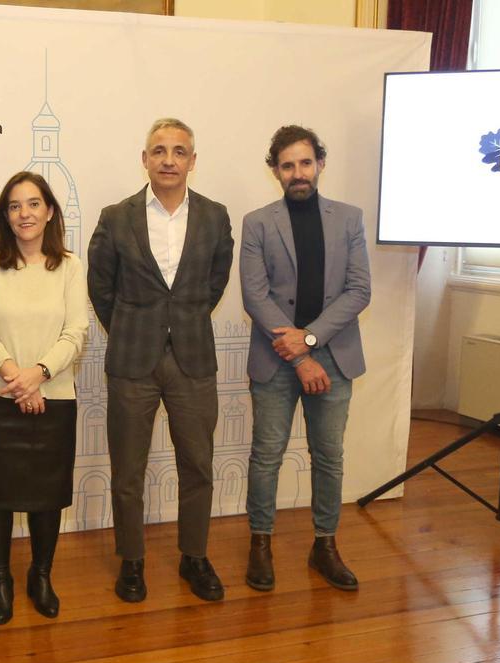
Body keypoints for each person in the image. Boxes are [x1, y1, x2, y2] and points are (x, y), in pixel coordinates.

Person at [87, 118, 234, 603]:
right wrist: (132, 326)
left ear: (193, 160)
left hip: (193, 358)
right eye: (159, 151)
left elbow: (214, 283)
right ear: (145, 159)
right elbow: (100, 286)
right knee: (128, 470)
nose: (169, 160)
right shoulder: (116, 216)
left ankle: (194, 556)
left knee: (199, 465)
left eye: (179, 151)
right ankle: (131, 561)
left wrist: (181, 320)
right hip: (132, 360)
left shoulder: (215, 216)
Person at [239, 125, 371, 593]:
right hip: (276, 361)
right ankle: (260, 544)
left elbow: (360, 290)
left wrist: (310, 341)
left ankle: (325, 545)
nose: (298, 172)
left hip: (334, 357)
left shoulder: (350, 218)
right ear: (275, 170)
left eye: (306, 162)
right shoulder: (257, 222)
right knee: (267, 455)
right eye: (288, 164)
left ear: (320, 164)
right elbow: (255, 297)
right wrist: (298, 357)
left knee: (329, 456)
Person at [0, 171, 87, 625]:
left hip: (53, 394)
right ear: (5, 215)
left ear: (49, 210)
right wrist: (18, 380)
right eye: (14, 206)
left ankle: (40, 576)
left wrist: (37, 376)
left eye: (33, 204)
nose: (24, 214)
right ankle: (1, 581)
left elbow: (76, 331)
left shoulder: (70, 266)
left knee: (46, 494)